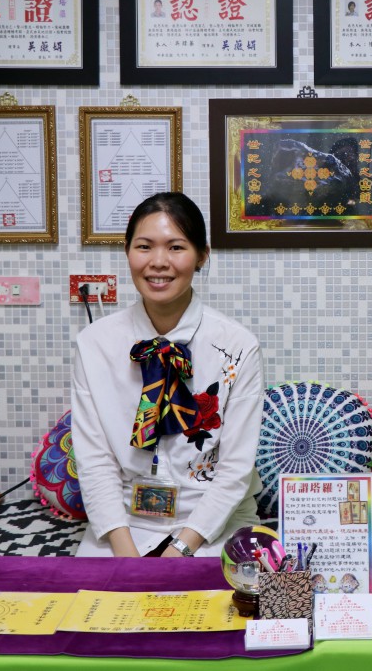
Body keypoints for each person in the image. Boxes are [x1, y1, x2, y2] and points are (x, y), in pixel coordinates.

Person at [71, 192, 264, 557]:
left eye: (176, 247)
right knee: (100, 611)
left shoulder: (238, 346)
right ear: (127, 251)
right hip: (122, 524)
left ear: (202, 255)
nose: (158, 262)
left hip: (212, 524)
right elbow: (95, 462)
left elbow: (236, 468)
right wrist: (127, 557)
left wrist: (178, 552)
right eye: (144, 247)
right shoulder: (94, 344)